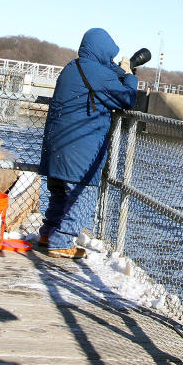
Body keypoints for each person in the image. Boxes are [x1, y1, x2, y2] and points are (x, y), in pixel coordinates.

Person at [38, 28, 138, 258]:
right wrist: (130, 76)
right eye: (110, 55)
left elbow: (104, 75)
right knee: (83, 195)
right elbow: (127, 98)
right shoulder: (97, 73)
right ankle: (61, 241)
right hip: (80, 148)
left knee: (60, 193)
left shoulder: (73, 67)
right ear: (102, 50)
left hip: (57, 146)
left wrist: (118, 69)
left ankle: (48, 233)